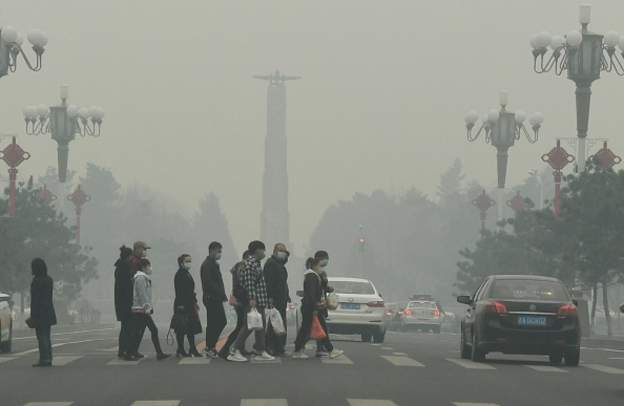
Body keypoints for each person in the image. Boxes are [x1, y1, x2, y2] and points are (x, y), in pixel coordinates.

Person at [228, 240, 275, 362]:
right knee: (248, 326)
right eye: (263, 250)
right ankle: (234, 350)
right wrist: (252, 299)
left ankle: (260, 350)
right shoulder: (250, 264)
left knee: (260, 326)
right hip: (254, 301)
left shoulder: (256, 263)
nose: (264, 252)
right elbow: (249, 284)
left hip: (259, 300)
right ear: (257, 250)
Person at [292, 257, 343, 360]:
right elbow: (311, 294)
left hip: (312, 307)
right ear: (315, 265)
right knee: (306, 329)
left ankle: (330, 350)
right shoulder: (311, 276)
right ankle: (298, 350)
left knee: (315, 329)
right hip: (311, 307)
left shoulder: (314, 276)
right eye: (320, 266)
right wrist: (315, 306)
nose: (322, 268)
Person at [127, 258, 170, 361]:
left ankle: (134, 352)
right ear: (143, 267)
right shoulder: (141, 278)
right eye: (148, 266)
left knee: (141, 331)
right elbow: (142, 295)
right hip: (140, 310)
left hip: (141, 309)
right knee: (149, 330)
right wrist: (147, 308)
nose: (150, 268)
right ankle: (133, 352)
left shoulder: (143, 278)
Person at [218, 250, 251, 359]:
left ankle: (240, 348)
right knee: (241, 327)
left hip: (239, 300)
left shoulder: (238, 266)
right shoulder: (242, 267)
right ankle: (225, 349)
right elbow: (242, 286)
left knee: (243, 326)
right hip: (241, 301)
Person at [200, 241, 227, 359]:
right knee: (218, 322)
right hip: (212, 298)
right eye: (218, 251)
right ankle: (209, 347)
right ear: (212, 250)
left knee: (215, 323)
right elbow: (208, 283)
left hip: (215, 297)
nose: (220, 254)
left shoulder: (212, 263)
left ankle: (210, 347)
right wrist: (220, 293)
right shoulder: (207, 264)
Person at [263, 243, 291, 356]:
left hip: (282, 298)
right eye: (280, 250)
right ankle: (270, 346)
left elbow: (283, 283)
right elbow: (269, 282)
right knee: (274, 324)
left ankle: (279, 347)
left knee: (280, 323)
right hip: (274, 298)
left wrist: (287, 296)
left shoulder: (280, 264)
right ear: (274, 251)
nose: (283, 253)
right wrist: (270, 297)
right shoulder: (271, 263)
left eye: (284, 251)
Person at [173, 254, 202, 357]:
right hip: (182, 305)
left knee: (190, 327)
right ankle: (180, 349)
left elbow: (191, 291)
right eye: (187, 261)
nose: (189, 263)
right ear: (181, 263)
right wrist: (180, 305)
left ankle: (192, 349)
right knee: (181, 328)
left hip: (189, 304)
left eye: (190, 260)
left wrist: (195, 302)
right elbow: (180, 291)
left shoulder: (187, 273)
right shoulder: (180, 274)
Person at [30, 258, 57, 367]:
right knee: (46, 335)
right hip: (49, 311)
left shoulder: (36, 281)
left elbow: (35, 299)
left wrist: (33, 314)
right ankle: (48, 357)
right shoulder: (49, 280)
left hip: (39, 312)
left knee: (41, 336)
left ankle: (44, 358)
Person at [114, 245, 134, 359]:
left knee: (125, 328)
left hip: (121, 303)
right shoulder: (125, 268)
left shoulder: (119, 267)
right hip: (126, 303)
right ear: (128, 256)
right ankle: (127, 351)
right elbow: (127, 288)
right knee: (128, 328)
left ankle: (122, 350)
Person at [314, 250, 333, 357]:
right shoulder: (317, 272)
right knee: (320, 327)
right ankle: (323, 348)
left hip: (320, 302)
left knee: (318, 326)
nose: (327, 261)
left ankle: (321, 348)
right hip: (318, 302)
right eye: (326, 258)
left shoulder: (316, 271)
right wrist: (328, 288)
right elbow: (321, 286)